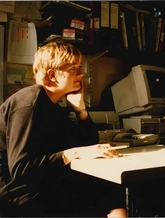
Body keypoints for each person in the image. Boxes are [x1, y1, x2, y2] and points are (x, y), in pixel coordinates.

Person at [0, 41, 127, 217]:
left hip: (41, 182)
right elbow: (21, 170)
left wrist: (80, 107)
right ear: (52, 75)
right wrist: (73, 154)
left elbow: (87, 143)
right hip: (17, 192)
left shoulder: (51, 105)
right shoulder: (29, 103)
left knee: (111, 191)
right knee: (105, 195)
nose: (81, 74)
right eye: (73, 69)